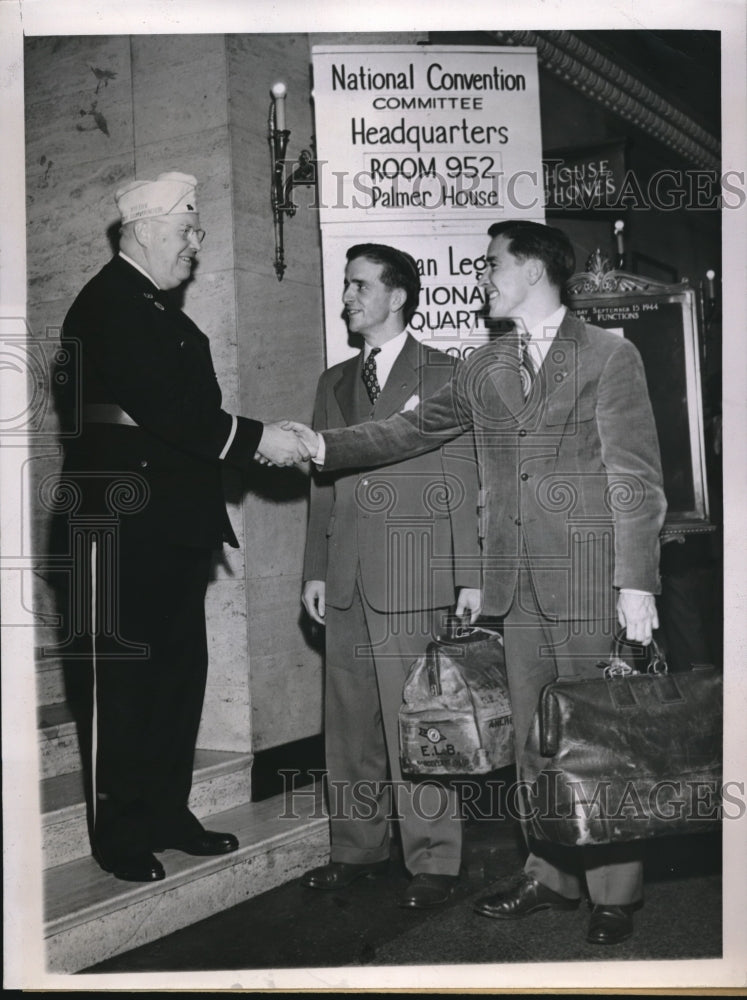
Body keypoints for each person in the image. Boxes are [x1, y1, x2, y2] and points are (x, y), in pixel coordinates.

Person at [288, 220, 667, 944]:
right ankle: (550, 875)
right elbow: (411, 429)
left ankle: (613, 891)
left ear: (531, 270)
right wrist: (321, 443)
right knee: (531, 741)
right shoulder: (483, 365)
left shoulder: (608, 356)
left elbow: (634, 476)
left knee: (596, 738)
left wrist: (636, 582)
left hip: (587, 578)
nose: (480, 278)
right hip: (514, 589)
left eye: (491, 264)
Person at [59, 171, 308, 883]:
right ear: (142, 231)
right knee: (125, 685)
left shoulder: (153, 308)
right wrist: (260, 439)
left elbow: (178, 416)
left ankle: (168, 811)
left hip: (165, 523)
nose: (196, 245)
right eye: (185, 232)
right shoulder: (111, 303)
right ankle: (120, 830)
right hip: (116, 524)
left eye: (197, 232)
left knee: (175, 676)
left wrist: (251, 436)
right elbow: (172, 411)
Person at [299, 244, 482, 908]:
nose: (346, 296)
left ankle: (434, 860)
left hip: (414, 573)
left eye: (358, 285)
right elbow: (322, 483)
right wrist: (314, 570)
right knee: (348, 723)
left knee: (420, 723)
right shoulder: (333, 381)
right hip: (345, 575)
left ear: (397, 295)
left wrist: (468, 575)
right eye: (347, 285)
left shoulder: (444, 372)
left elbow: (461, 477)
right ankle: (356, 848)